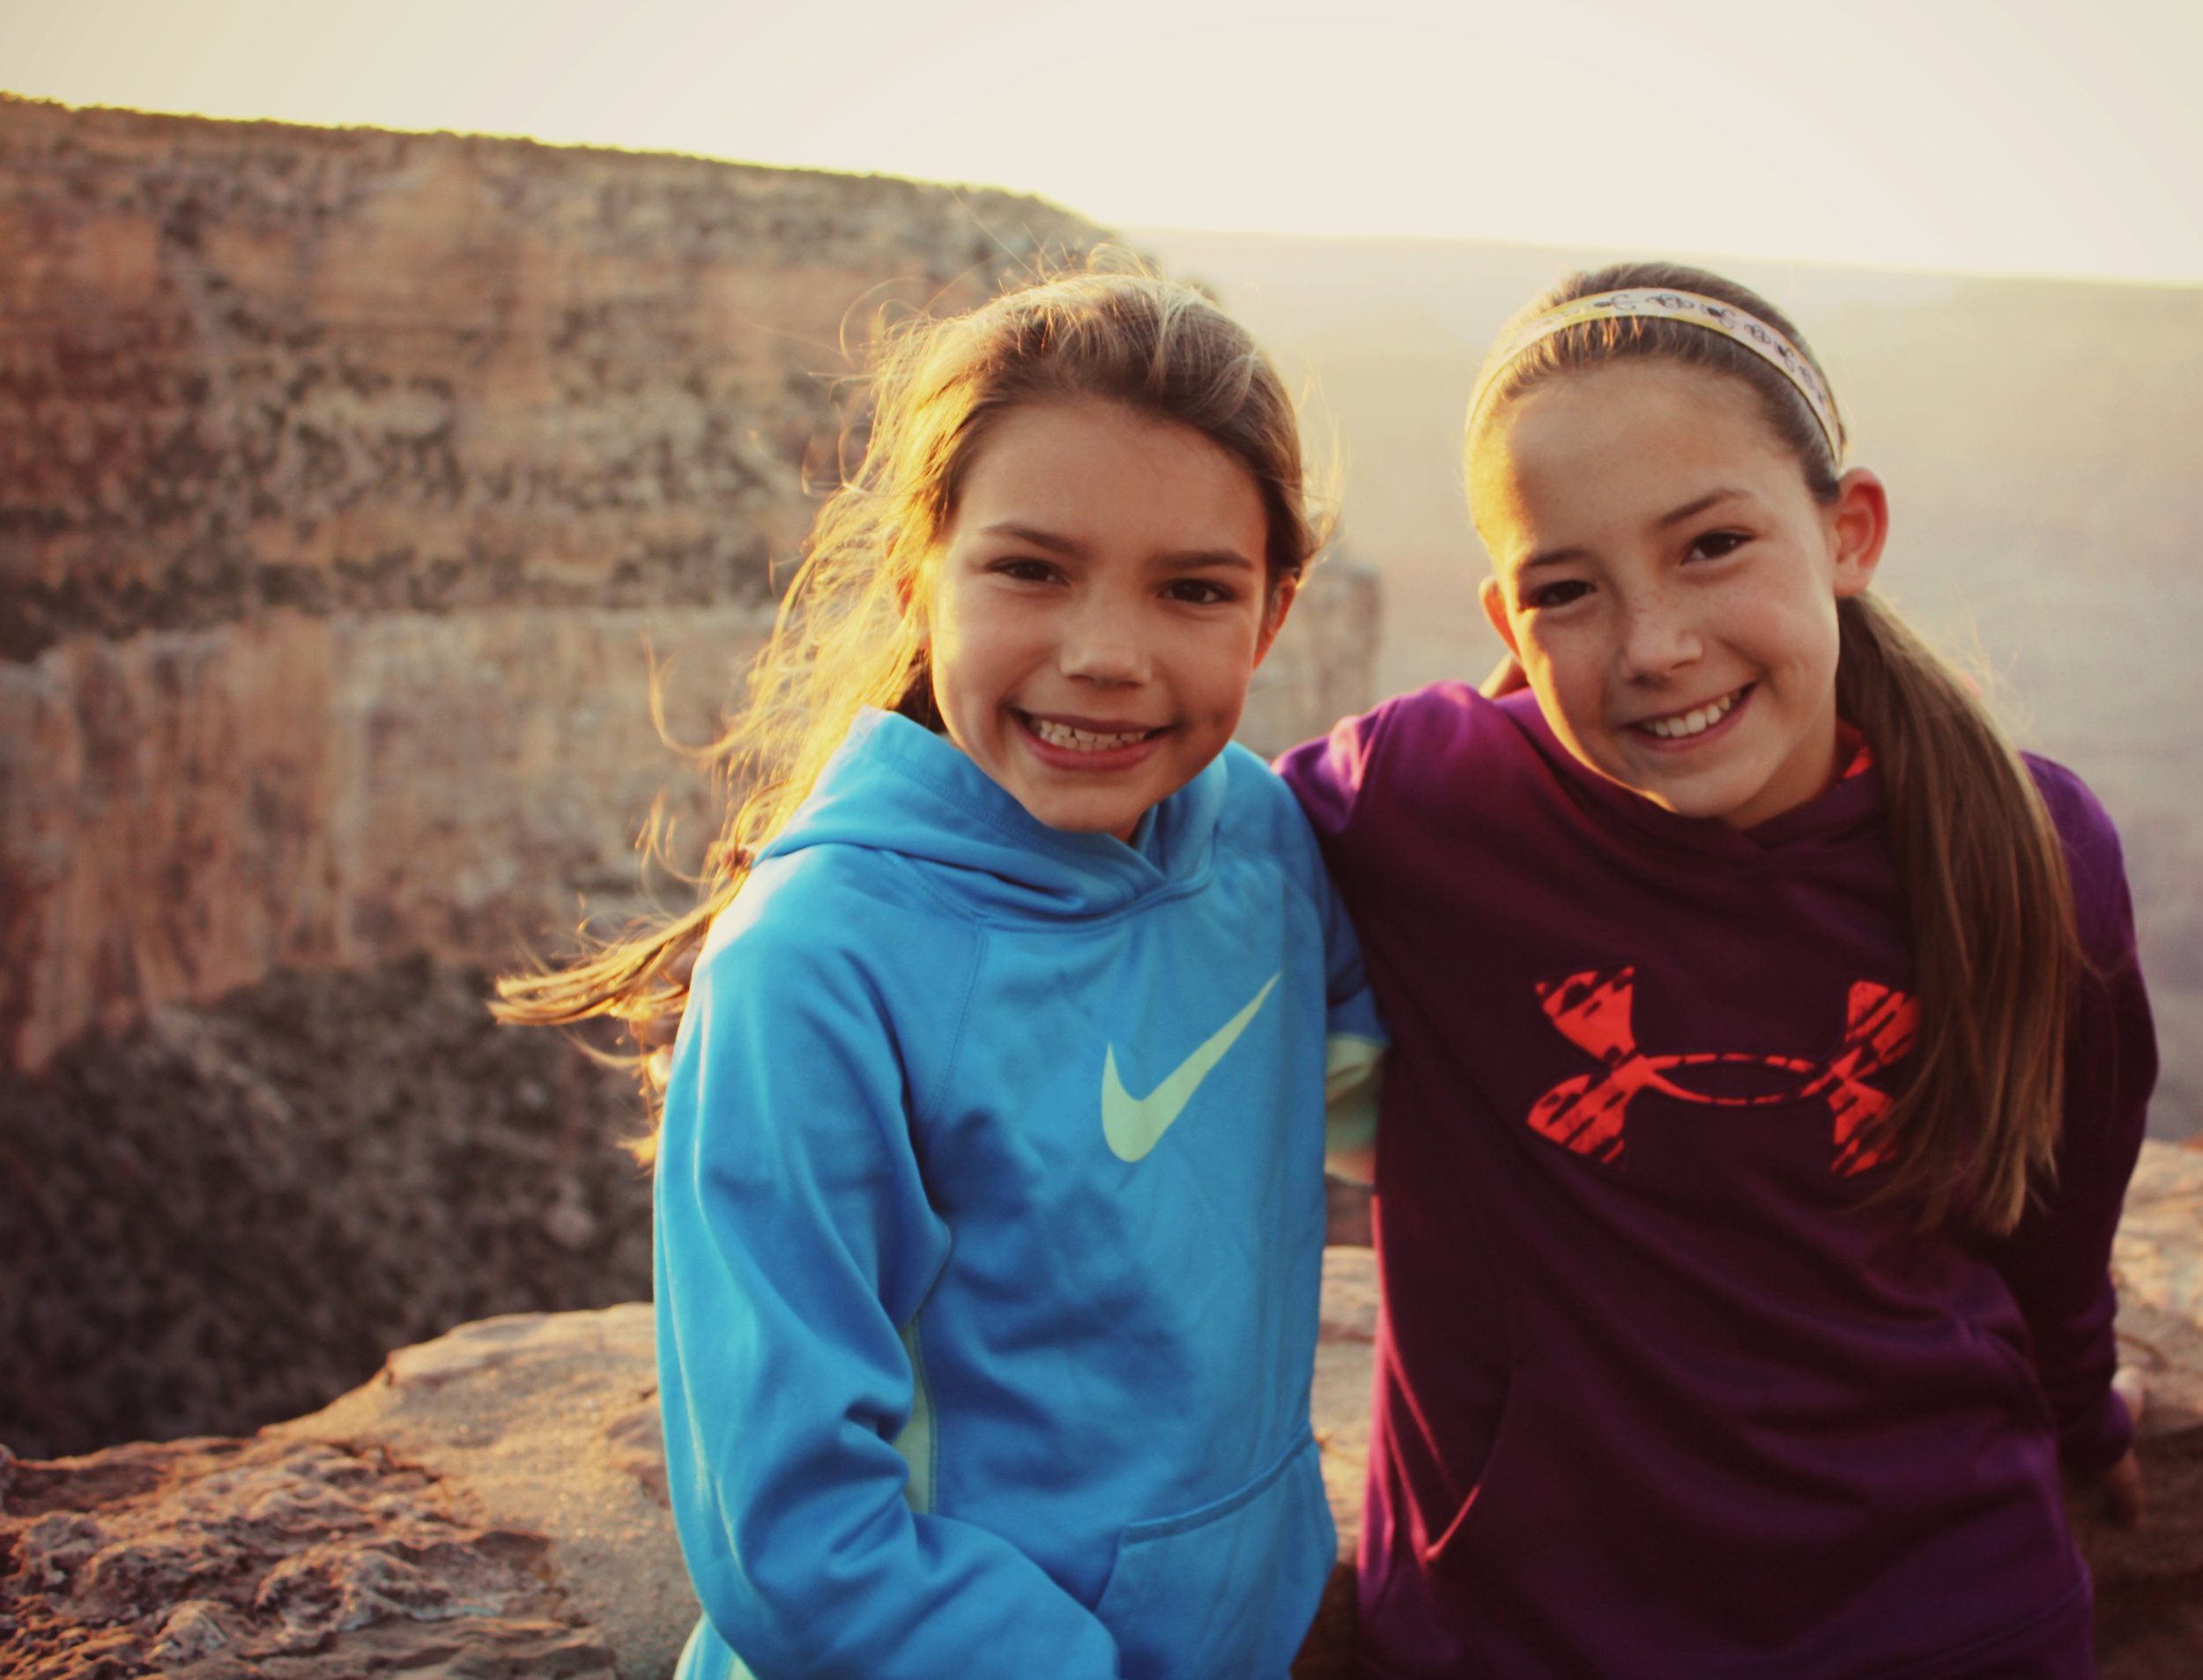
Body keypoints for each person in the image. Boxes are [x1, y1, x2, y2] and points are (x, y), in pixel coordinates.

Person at [498, 266, 1384, 1680]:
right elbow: (791, 1533)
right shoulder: (815, 966)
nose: (1106, 654)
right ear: (920, 576)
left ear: (1273, 615)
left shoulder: (1263, 843)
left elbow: (1409, 1111)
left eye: (1193, 590)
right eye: (1031, 570)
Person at [1278, 263, 2156, 1678]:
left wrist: (2082, 1423)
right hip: (1521, 1640)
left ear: (1848, 530)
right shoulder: (1426, 810)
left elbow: (2058, 1218)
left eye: (1710, 547)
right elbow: (1135, 855)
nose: (1655, 646)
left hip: (1951, 1621)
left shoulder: (2035, 851)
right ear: (1509, 629)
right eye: (1570, 589)